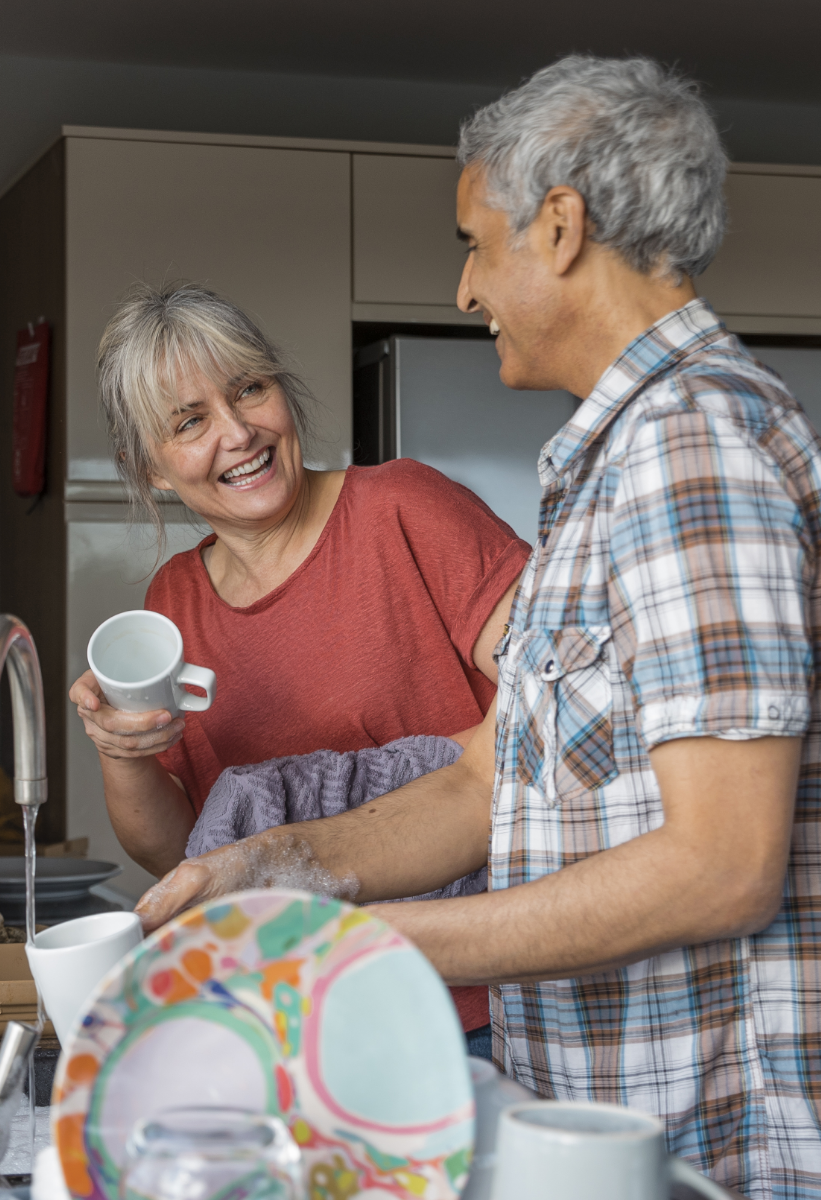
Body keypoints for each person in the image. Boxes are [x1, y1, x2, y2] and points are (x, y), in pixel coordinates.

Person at [136, 56, 821, 1198]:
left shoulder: (688, 447)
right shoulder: (612, 468)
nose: (464, 290)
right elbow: (491, 778)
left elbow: (723, 865)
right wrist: (276, 868)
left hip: (716, 1152)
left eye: (474, 241)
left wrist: (360, 948)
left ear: (559, 229)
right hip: (610, 1131)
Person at [69, 282, 531, 1045]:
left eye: (250, 388)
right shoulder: (174, 599)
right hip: (303, 1013)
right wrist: (120, 749)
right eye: (191, 421)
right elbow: (182, 848)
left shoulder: (406, 508)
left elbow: (560, 704)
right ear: (149, 468)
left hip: (474, 1004)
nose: (240, 432)